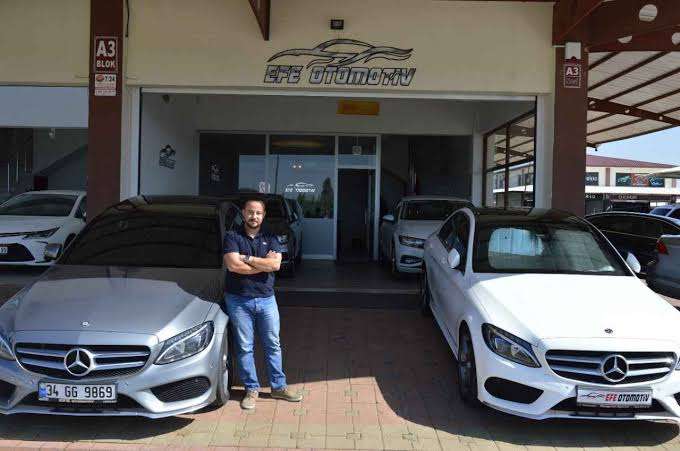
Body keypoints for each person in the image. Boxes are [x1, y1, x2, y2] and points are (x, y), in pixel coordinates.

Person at [223, 197, 303, 410]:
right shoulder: (232, 236)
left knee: (273, 344)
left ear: (264, 215)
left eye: (258, 213)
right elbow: (233, 266)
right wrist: (262, 265)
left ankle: (279, 387)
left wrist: (248, 259)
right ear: (243, 213)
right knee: (245, 347)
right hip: (238, 300)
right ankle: (251, 389)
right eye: (250, 212)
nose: (254, 216)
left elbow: (275, 265)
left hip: (267, 299)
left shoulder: (271, 237)